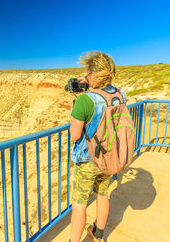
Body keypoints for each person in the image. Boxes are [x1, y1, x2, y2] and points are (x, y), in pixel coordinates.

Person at [69, 51, 124, 242]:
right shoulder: (119, 94)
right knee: (102, 194)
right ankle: (98, 232)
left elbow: (75, 135)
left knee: (79, 203)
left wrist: (75, 110)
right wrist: (90, 82)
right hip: (109, 155)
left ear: (93, 73)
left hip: (87, 158)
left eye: (88, 72)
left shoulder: (85, 100)